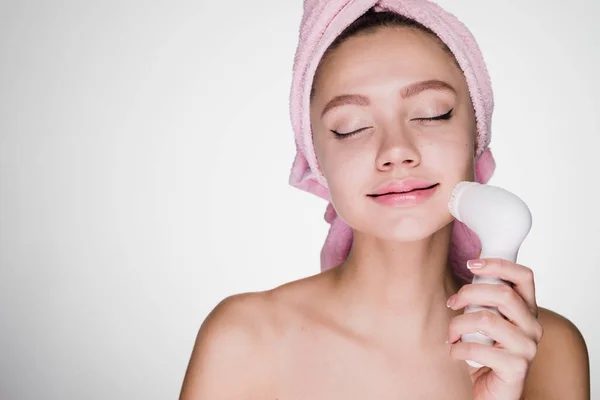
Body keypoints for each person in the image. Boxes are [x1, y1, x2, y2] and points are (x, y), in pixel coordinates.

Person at [180, 3, 590, 399]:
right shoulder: (244, 341)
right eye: (350, 127)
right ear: (317, 162)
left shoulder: (550, 349)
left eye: (433, 113)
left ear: (477, 132)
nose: (396, 150)